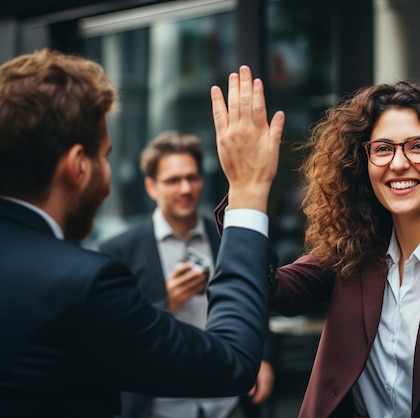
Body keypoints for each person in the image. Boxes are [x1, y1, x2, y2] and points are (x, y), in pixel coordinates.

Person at [213, 80, 420, 417]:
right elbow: (270, 290)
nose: (399, 163)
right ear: (364, 163)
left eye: (419, 146)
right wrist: (246, 189)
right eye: (382, 148)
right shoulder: (353, 251)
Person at [0, 49, 283, 418]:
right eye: (105, 156)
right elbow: (228, 363)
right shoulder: (87, 281)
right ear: (77, 167)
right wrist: (248, 189)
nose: (108, 176)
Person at [100, 131, 275, 418]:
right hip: (160, 406)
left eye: (192, 177)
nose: (185, 188)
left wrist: (264, 357)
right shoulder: (119, 250)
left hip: (228, 401)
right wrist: (164, 301)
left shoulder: (227, 237)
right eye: (172, 180)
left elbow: (258, 297)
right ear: (151, 187)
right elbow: (112, 336)